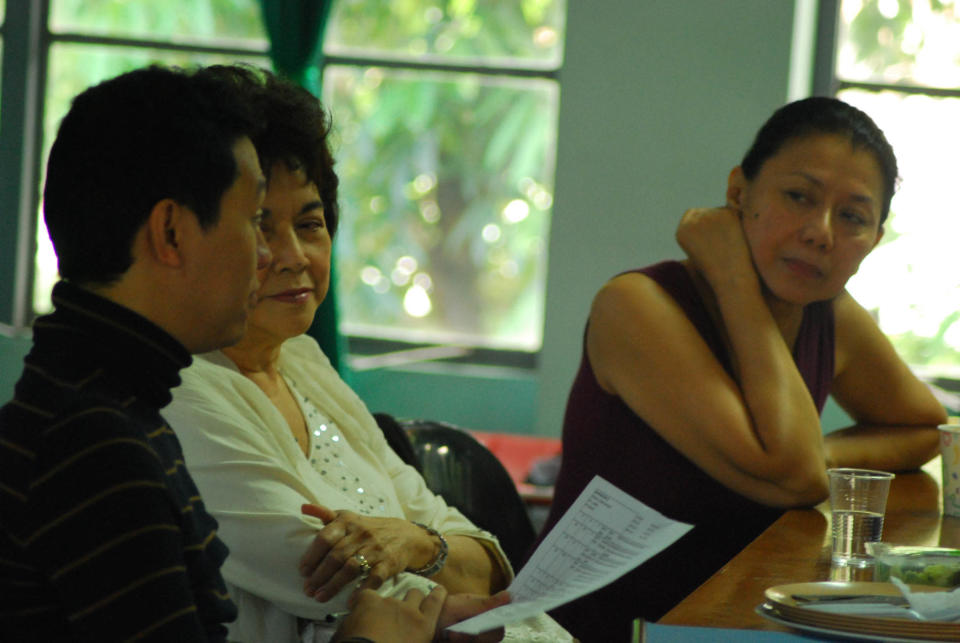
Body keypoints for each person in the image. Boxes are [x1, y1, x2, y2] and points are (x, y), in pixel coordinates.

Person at [162, 65, 572, 643]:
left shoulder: (302, 361)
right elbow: (337, 584)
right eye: (259, 228)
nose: (291, 256)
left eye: (310, 223)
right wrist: (440, 567)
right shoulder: (181, 389)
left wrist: (417, 544)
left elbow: (488, 559)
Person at [532, 96, 947, 643]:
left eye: (852, 217)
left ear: (873, 241)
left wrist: (827, 455)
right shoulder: (635, 306)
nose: (820, 231)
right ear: (738, 192)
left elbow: (924, 429)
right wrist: (731, 276)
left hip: (739, 618)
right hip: (603, 628)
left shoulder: (830, 315)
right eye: (798, 196)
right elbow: (796, 476)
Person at [0, 66, 269, 641]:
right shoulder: (93, 444)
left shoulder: (99, 400)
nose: (266, 255)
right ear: (170, 232)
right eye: (253, 219)